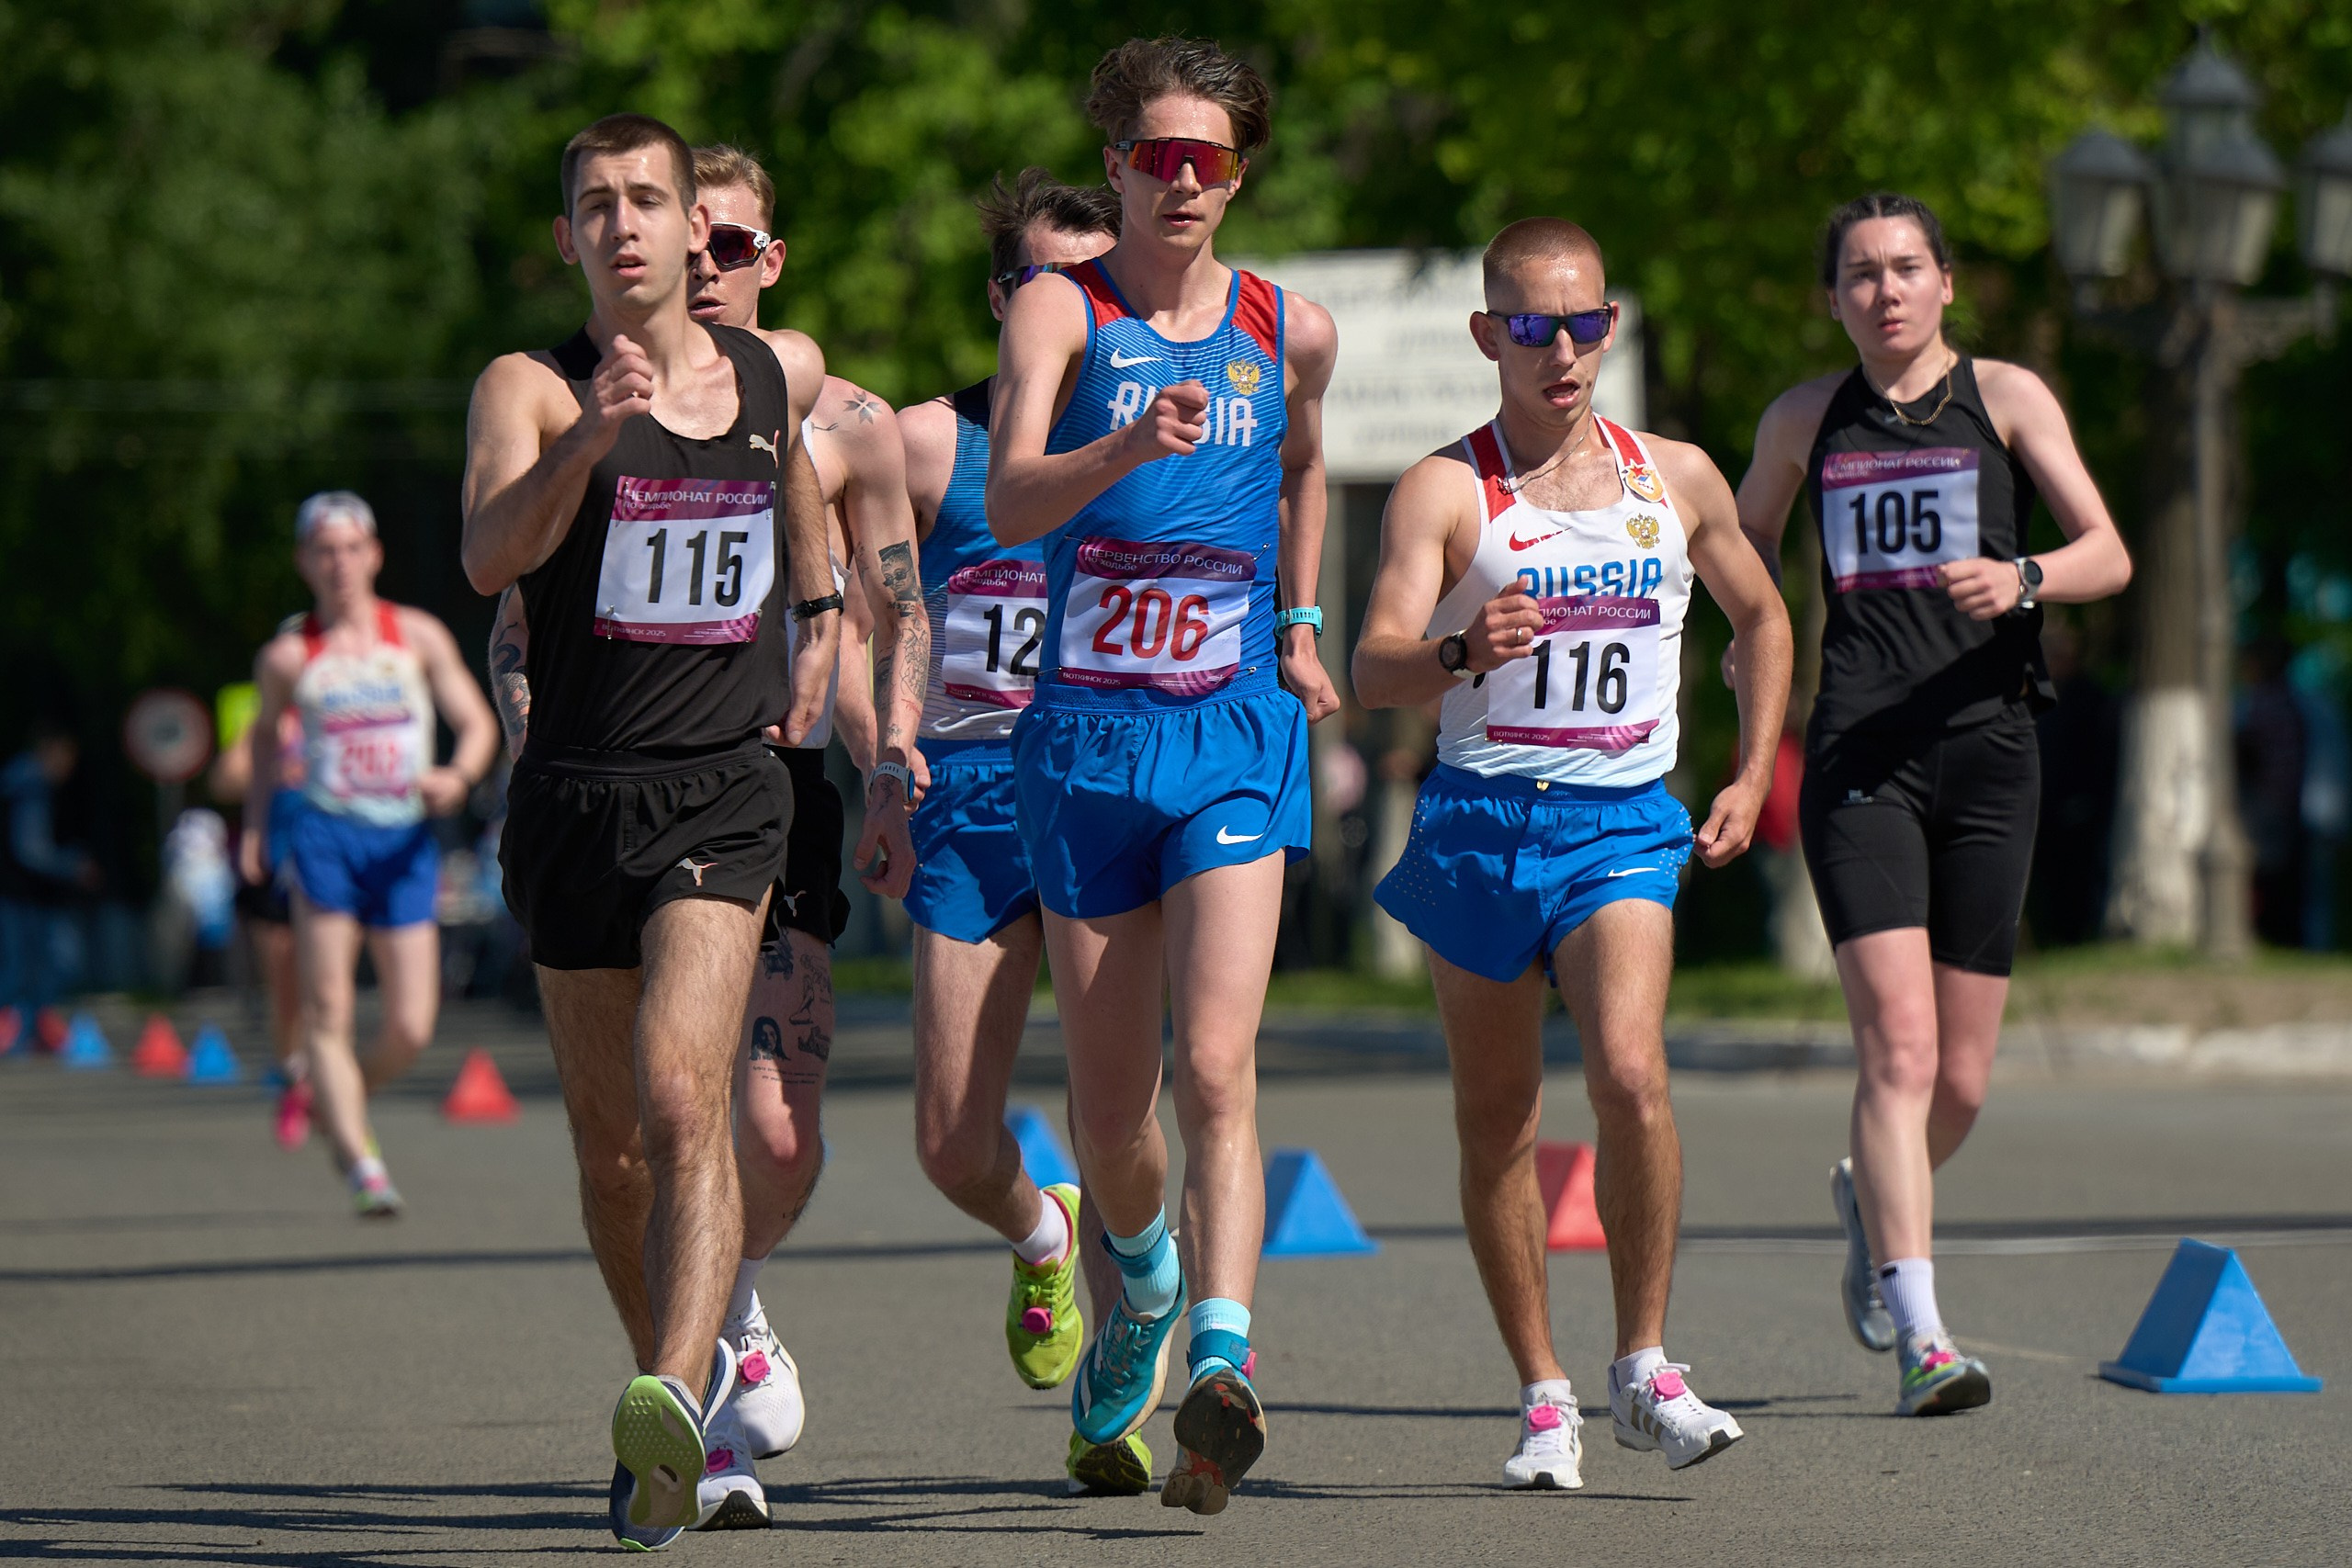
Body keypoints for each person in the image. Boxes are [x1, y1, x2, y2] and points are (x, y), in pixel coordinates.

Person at [482, 140, 925, 1533]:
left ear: (695, 230)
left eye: (649, 204)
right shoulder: (532, 385)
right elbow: (491, 551)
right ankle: (661, 1397)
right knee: (613, 1144)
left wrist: (818, 617)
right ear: (568, 238)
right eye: (595, 208)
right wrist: (589, 440)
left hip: (724, 792)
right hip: (574, 796)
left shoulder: (770, 371)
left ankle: (683, 1392)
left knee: (686, 1097)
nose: (625, 228)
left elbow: (798, 494)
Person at [1356, 218, 1792, 1487]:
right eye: (1535, 326)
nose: (1563, 350)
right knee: (1499, 1116)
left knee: (1633, 1071)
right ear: (1489, 334)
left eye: (1586, 323)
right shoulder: (1448, 488)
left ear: (1612, 329)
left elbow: (1762, 616)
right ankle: (1544, 1392)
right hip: (1484, 818)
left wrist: (1753, 770)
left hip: (1621, 817)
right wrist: (1455, 650)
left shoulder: (1679, 478)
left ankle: (1644, 1360)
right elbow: (1373, 662)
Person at [988, 37, 1341, 1516]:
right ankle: (1138, 1275)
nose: (1181, 180)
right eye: (1156, 156)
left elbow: (1307, 466)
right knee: (1113, 1110)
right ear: (1119, 165)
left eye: (1209, 159)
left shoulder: (1291, 327)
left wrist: (1304, 620)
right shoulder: (1065, 313)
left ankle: (1225, 1357)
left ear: (1238, 172)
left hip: (1233, 728)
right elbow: (1009, 499)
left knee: (1216, 1064)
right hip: (1086, 740)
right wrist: (1124, 442)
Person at [1734, 192, 2131, 1416]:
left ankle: (1868, 1196)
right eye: (1861, 274)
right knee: (1896, 1047)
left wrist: (2023, 578)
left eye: (1908, 268)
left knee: (1959, 1078)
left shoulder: (2004, 399)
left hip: (1992, 747)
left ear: (1946, 283)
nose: (1886, 291)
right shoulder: (1807, 418)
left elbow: (2108, 551)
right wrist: (1748, 706)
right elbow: (1738, 572)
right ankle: (1925, 1334)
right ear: (1836, 297)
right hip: (1862, 754)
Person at [896, 168, 1139, 1495]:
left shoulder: (1158, 438)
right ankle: (1037, 1228)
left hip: (1104, 784)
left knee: (1122, 1116)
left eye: (1095, 289)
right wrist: (884, 761)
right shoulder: (933, 443)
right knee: (947, 1136)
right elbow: (870, 595)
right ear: (1002, 300)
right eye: (1050, 286)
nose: (1079, 314)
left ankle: (1112, 1399)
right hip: (976, 797)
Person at [242, 491, 499, 1216]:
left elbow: (476, 722)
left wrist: (459, 774)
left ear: (375, 554)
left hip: (405, 838)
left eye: (353, 547)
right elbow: (264, 742)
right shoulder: (290, 657)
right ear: (304, 562)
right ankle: (361, 1161)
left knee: (412, 1024)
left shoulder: (414, 636)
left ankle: (330, 1092)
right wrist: (259, 826)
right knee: (327, 1008)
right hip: (327, 836)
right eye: (324, 549)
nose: (340, 562)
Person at [210, 696, 312, 1146]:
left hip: (333, 865)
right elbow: (225, 780)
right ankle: (292, 1073)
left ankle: (324, 1078)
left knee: (328, 985)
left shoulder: (345, 713)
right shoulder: (271, 723)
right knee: (285, 986)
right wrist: (273, 767)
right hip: (274, 869)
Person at [0, 718, 99, 1021]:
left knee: (25, 969)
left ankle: (28, 1033)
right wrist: (73, 866)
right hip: (23, 894)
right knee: (36, 969)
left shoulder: (15, 779)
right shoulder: (31, 785)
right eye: (67, 756)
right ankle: (22, 1033)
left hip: (20, 892)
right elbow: (31, 850)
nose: (70, 766)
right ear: (50, 751)